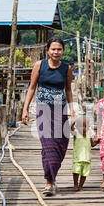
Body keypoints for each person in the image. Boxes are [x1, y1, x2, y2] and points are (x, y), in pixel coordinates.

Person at [21, 36, 75, 196]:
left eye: (59, 49)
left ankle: (53, 179)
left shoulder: (67, 68)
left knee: (60, 145)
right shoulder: (40, 65)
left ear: (63, 51)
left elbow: (68, 90)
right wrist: (25, 109)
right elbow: (31, 88)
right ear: (47, 50)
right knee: (48, 144)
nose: (56, 52)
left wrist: (72, 109)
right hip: (43, 110)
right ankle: (48, 182)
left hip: (61, 111)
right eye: (53, 49)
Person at [71, 116, 100, 191]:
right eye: (81, 126)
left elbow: (92, 144)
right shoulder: (76, 134)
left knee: (84, 173)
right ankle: (75, 184)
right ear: (77, 127)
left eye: (86, 126)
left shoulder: (89, 135)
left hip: (87, 158)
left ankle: (81, 186)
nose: (84, 128)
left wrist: (97, 141)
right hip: (77, 158)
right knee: (76, 172)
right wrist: (73, 123)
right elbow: (71, 129)